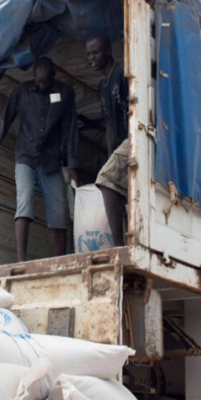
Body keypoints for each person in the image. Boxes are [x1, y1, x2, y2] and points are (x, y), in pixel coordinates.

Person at [0, 57, 79, 262]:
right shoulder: (22, 92)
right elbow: (4, 120)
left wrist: (72, 166)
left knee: (59, 213)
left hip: (51, 161)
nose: (41, 86)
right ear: (33, 77)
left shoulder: (65, 93)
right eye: (38, 82)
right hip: (26, 157)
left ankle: (60, 260)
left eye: (45, 82)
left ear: (54, 76)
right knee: (24, 204)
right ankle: (21, 261)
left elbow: (70, 130)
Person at [86, 35, 129, 246]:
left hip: (135, 139)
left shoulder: (122, 72)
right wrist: (111, 155)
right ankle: (126, 241)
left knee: (106, 178)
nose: (91, 58)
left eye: (95, 52)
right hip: (121, 145)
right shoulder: (102, 86)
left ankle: (118, 246)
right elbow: (109, 125)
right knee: (118, 188)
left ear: (109, 51)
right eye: (88, 54)